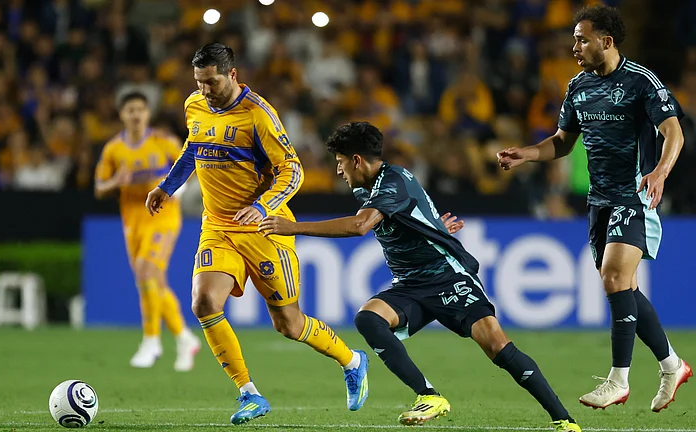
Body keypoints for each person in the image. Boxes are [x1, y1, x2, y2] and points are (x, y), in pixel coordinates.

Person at [259, 121, 581, 431]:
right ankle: (429, 396)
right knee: (369, 319)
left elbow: (359, 226)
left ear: (357, 160)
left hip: (447, 276)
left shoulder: (392, 180)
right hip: (411, 285)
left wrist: (292, 227)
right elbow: (416, 210)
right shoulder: (368, 188)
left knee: (497, 346)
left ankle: (564, 420)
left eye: (341, 162)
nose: (339, 170)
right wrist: (437, 227)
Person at [145, 43, 368, 425]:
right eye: (198, 82)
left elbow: (292, 170)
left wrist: (263, 207)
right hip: (217, 226)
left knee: (289, 324)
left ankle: (351, 360)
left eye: (211, 82)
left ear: (232, 75)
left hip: (263, 228)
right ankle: (249, 394)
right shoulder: (194, 105)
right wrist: (168, 186)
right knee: (203, 302)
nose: (204, 90)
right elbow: (192, 148)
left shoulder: (258, 115)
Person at [497, 4, 691, 411]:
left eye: (582, 39)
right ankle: (672, 365)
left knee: (614, 276)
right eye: (573, 38)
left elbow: (674, 132)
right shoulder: (578, 86)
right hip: (598, 202)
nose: (575, 46)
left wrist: (659, 173)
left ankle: (618, 380)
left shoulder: (640, 82)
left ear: (607, 40)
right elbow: (563, 141)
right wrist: (527, 154)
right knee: (623, 288)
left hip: (634, 195)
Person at [94, 92, 200, 372]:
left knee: (145, 270)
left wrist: (179, 189)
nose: (136, 114)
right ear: (122, 115)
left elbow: (189, 164)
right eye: (130, 109)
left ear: (148, 113)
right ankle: (183, 336)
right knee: (153, 281)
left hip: (163, 216)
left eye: (141, 108)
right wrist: (116, 182)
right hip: (133, 221)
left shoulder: (163, 142)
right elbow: (98, 187)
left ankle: (152, 340)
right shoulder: (114, 150)